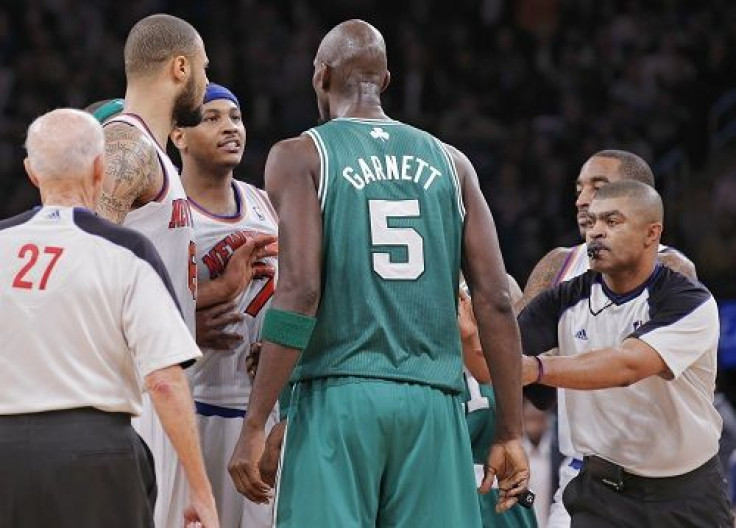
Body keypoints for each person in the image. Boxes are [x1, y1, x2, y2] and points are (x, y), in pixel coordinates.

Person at [228, 19, 529, 527]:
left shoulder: (300, 155)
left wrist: (256, 421)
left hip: (337, 397)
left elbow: (300, 291)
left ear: (320, 75)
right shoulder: (452, 163)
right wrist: (510, 431)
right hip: (434, 404)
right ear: (385, 80)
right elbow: (496, 298)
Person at [0, 108, 218, 528]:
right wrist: (200, 490)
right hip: (94, 451)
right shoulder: (126, 249)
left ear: (31, 172)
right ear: (100, 168)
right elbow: (163, 381)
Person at [519, 180, 732, 527]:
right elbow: (497, 363)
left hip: (685, 493)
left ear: (652, 234)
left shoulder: (688, 300)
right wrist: (470, 335)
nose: (596, 232)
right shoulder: (564, 296)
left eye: (612, 222)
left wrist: (536, 368)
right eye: (593, 222)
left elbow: (627, 366)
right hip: (601, 491)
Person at [171, 82, 279, 527]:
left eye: (234, 117)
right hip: (194, 410)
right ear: (179, 136)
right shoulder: (166, 214)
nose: (230, 127)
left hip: (263, 416)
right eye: (212, 118)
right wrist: (188, 327)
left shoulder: (267, 205)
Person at [460, 279, 539, 528]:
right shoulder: (413, 286)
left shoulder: (499, 284)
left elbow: (531, 372)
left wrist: (474, 338)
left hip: (497, 488)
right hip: (437, 485)